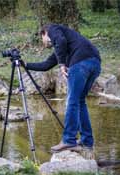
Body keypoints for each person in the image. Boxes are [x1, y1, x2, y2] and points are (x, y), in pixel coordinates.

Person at [12, 24, 102, 153]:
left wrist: (61, 64)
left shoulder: (52, 29)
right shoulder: (65, 47)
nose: (45, 44)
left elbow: (59, 41)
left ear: (44, 34)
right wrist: (25, 65)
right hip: (94, 64)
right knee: (80, 101)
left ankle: (69, 141)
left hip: (81, 64)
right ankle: (87, 141)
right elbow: (46, 65)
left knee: (72, 102)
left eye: (42, 40)